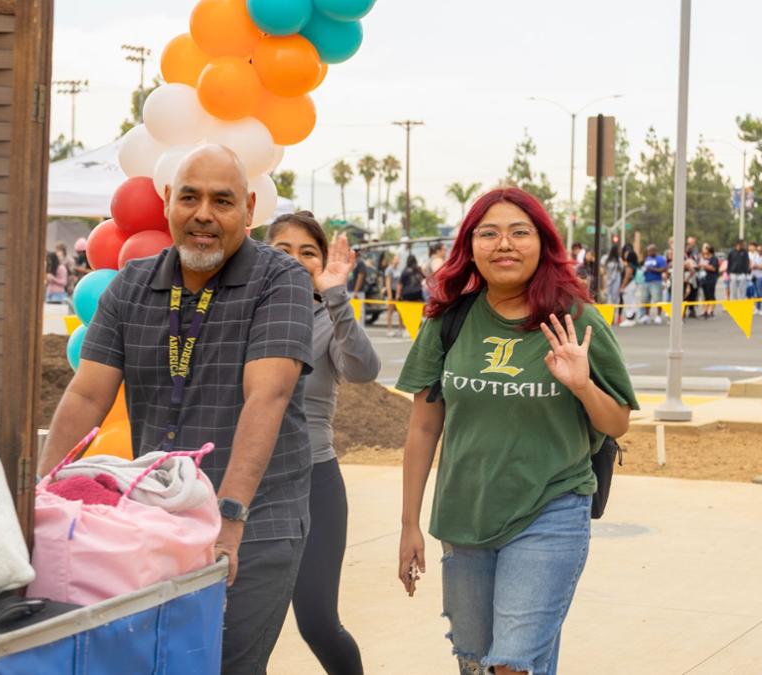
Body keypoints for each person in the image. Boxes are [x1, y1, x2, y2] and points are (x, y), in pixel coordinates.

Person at [37, 145, 315, 674]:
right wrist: (43, 493)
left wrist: (229, 518)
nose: (204, 214)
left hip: (255, 523)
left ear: (249, 209)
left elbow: (268, 396)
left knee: (223, 664)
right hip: (156, 520)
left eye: (222, 200)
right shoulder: (132, 284)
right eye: (190, 197)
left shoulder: (279, 281)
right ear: (168, 203)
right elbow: (86, 395)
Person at [395, 188, 636, 675]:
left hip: (551, 507)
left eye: (519, 232)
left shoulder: (574, 319)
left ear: (543, 244)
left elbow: (618, 422)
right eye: (490, 233)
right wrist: (408, 524)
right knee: (477, 664)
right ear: (470, 246)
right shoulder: (449, 320)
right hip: (465, 515)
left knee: (511, 665)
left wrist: (583, 385)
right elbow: (423, 427)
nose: (504, 244)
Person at [268, 213, 380, 675]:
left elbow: (363, 369)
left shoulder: (326, 319)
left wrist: (336, 296)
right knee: (241, 625)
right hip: (243, 484)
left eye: (307, 252)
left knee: (316, 620)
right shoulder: (236, 314)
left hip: (314, 479)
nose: (295, 261)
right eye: (283, 250)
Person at [638, 244, 666, 324]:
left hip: (656, 281)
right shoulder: (647, 258)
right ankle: (647, 315)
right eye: (648, 251)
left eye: (650, 251)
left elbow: (663, 269)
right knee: (646, 299)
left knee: (657, 299)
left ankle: (658, 315)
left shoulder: (660, 259)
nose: (649, 253)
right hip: (646, 281)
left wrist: (652, 269)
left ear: (654, 251)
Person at [698, 243, 720, 319]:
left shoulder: (714, 258)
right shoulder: (701, 258)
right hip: (703, 279)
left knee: (711, 295)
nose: (703, 249)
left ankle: (711, 310)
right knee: (705, 296)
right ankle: (705, 311)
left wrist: (704, 265)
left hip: (711, 279)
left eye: (705, 248)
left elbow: (713, 268)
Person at [604, 244, 624, 309]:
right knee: (608, 297)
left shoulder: (619, 260)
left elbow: (621, 269)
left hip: (616, 280)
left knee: (615, 298)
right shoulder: (607, 259)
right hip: (609, 279)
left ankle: (614, 314)